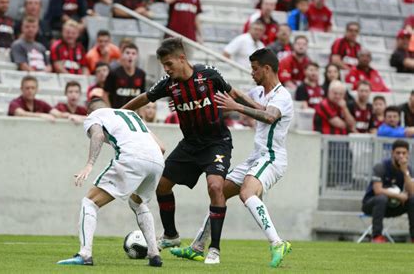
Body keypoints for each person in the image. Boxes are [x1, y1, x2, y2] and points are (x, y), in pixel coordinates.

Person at [121, 37, 257, 264]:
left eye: (169, 64)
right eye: (164, 65)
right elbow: (144, 98)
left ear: (182, 58)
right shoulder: (169, 84)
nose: (166, 69)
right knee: (162, 185)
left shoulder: (208, 75)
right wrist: (116, 113)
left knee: (215, 187)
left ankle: (214, 249)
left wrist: (260, 111)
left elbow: (236, 94)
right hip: (190, 145)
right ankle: (171, 235)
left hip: (217, 142)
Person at [169, 48, 294, 268]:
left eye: (255, 69)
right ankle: (198, 247)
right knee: (220, 193)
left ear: (267, 69)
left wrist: (238, 107)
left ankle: (277, 243)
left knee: (247, 193)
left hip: (272, 157)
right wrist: (186, 105)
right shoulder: (258, 93)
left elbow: (270, 116)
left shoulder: (282, 96)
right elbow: (223, 105)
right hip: (256, 156)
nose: (251, 73)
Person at [56, 99, 165, 267]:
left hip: (132, 157)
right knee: (138, 203)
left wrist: (89, 164)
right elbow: (162, 147)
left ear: (88, 113)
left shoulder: (94, 116)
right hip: (157, 161)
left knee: (90, 202)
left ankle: (85, 254)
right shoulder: (131, 114)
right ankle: (154, 254)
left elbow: (98, 135)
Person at [362, 140, 414, 243]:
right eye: (398, 153)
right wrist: (399, 196)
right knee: (381, 198)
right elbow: (377, 190)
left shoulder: (409, 169)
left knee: (413, 200)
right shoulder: (381, 167)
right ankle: (377, 237)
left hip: (394, 206)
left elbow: (412, 191)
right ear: (392, 153)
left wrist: (405, 173)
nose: (401, 156)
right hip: (372, 205)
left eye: (404, 153)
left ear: (408, 154)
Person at [103, 43, 145, 108]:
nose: (130, 56)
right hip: (117, 111)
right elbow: (105, 94)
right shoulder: (113, 73)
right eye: (127, 53)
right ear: (122, 55)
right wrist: (110, 110)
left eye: (133, 53)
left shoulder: (141, 74)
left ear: (137, 56)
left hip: (133, 112)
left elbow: (142, 96)